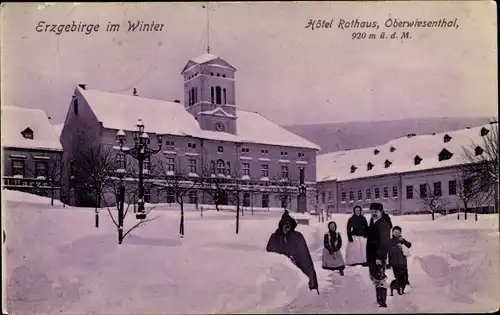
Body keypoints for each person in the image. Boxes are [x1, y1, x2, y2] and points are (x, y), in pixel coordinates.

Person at [266, 210, 319, 293]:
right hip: (281, 274)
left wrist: (312, 283)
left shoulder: (297, 237)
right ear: (281, 225)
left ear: (291, 226)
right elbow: (270, 255)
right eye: (285, 225)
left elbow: (305, 258)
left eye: (288, 225)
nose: (286, 228)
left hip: (297, 271)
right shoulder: (275, 237)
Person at [366, 202, 391, 308]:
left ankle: (383, 303)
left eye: (375, 211)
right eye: (371, 212)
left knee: (380, 278)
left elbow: (384, 243)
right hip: (373, 257)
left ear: (381, 212)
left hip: (378, 257)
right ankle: (379, 300)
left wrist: (379, 258)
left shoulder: (383, 224)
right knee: (376, 278)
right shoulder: (374, 222)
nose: (373, 214)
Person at [387, 226, 412, 293]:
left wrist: (403, 241)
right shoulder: (390, 241)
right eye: (395, 232)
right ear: (392, 232)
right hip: (394, 263)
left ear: (400, 233)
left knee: (405, 276)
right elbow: (388, 253)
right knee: (397, 277)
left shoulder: (402, 240)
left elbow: (409, 245)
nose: (397, 233)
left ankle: (404, 287)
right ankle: (398, 289)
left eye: (398, 232)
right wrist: (389, 263)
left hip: (403, 262)